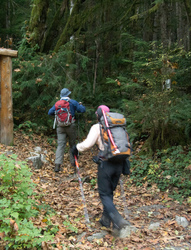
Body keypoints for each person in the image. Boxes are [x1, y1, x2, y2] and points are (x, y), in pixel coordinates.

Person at [71, 105, 130, 235]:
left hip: (106, 164)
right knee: (109, 193)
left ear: (98, 115)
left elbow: (87, 144)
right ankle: (105, 220)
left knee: (104, 194)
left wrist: (76, 148)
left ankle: (119, 221)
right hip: (119, 163)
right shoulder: (118, 127)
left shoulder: (98, 127)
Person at [48, 88, 86, 172]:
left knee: (60, 145)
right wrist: (80, 105)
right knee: (72, 144)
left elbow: (50, 112)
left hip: (60, 127)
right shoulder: (72, 102)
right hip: (70, 126)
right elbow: (82, 110)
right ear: (68, 94)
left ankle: (57, 165)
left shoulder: (57, 104)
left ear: (61, 95)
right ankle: (74, 163)